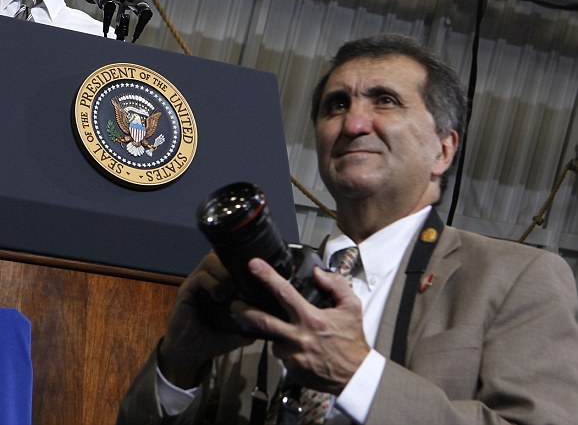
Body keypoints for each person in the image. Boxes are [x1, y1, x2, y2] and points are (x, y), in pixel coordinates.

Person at [117, 33, 578, 424]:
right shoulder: (264, 289)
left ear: (443, 149)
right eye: (336, 105)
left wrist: (358, 376)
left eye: (385, 101)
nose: (354, 123)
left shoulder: (519, 278)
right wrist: (178, 365)